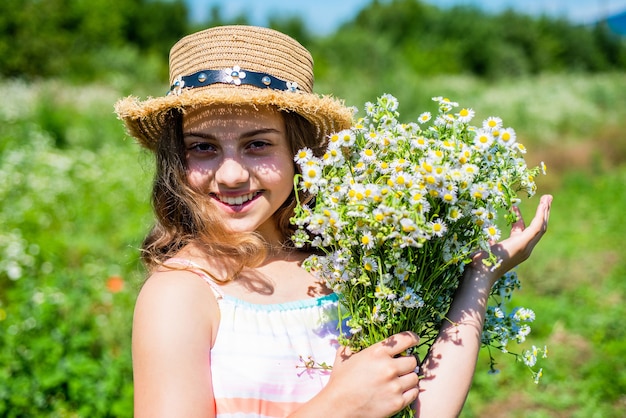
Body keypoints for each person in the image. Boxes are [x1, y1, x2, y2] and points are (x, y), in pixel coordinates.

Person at [115, 25, 553, 418]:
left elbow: (422, 409)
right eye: (204, 148)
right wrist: (338, 407)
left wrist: (480, 274)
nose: (231, 174)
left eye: (257, 145)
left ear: (298, 152)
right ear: (177, 159)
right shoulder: (182, 293)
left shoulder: (349, 261)